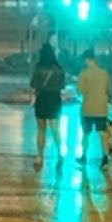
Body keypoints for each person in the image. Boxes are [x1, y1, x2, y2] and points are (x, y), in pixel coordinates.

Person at [30, 40, 66, 170]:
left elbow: (33, 84)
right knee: (55, 128)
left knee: (41, 129)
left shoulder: (38, 68)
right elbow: (63, 85)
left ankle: (40, 156)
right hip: (55, 99)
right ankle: (60, 152)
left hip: (42, 99)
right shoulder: (59, 69)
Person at [76, 47, 112, 167]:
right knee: (103, 133)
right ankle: (105, 157)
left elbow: (80, 91)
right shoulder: (104, 73)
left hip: (88, 108)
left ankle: (84, 156)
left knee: (86, 134)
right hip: (101, 108)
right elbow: (108, 89)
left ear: (87, 60)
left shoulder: (84, 73)